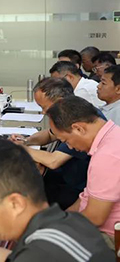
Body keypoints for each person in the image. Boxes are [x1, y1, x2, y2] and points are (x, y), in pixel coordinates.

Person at [47, 96, 120, 248]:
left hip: (109, 236)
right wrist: (64, 217)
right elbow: (88, 196)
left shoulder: (106, 156)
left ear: (78, 129)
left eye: (66, 141)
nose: (70, 147)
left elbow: (96, 217)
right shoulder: (112, 134)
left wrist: (58, 228)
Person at [9, 78, 90, 210]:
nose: (43, 112)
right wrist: (26, 141)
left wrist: (21, 149)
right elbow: (50, 134)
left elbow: (53, 161)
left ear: (59, 101)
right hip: (62, 177)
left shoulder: (80, 119)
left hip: (73, 188)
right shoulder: (68, 113)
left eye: (44, 107)